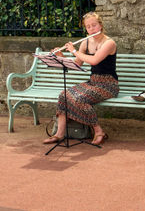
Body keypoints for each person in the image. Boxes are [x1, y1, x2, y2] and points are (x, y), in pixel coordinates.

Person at [43, 11, 119, 146]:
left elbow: (94, 60)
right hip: (93, 82)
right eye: (88, 27)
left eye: (94, 25)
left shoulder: (109, 43)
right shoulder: (86, 42)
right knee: (63, 95)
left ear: (100, 25)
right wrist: (60, 56)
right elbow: (77, 64)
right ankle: (59, 134)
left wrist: (73, 50)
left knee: (80, 99)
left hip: (108, 85)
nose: (91, 29)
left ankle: (98, 131)